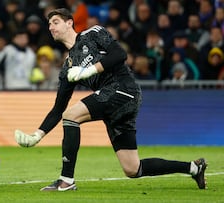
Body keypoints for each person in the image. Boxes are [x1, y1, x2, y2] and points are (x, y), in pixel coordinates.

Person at [14, 8, 207, 191]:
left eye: (55, 22)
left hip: (124, 89)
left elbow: (120, 54)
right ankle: (194, 168)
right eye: (49, 24)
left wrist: (88, 70)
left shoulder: (93, 33)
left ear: (69, 23)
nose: (51, 27)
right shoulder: (68, 68)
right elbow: (58, 108)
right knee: (133, 169)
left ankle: (66, 180)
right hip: (114, 105)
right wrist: (37, 136)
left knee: (71, 116)